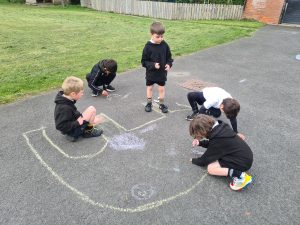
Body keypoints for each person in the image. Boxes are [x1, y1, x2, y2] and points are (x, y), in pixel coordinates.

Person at [189, 115, 253, 191]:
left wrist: (194, 160)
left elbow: (205, 159)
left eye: (197, 135)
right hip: (245, 156)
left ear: (201, 131)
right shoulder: (220, 128)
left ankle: (241, 176)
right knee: (217, 158)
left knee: (211, 168)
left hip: (242, 162)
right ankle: (237, 172)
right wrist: (200, 143)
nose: (197, 137)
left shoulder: (218, 139)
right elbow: (213, 144)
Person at [54, 76, 104, 142]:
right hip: (72, 131)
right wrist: (77, 122)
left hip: (74, 123)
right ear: (73, 94)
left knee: (95, 119)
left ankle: (87, 127)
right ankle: (87, 132)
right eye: (81, 92)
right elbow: (60, 126)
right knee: (92, 109)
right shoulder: (64, 108)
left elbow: (71, 114)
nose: (82, 94)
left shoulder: (66, 98)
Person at [141, 21, 173, 113]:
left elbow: (169, 58)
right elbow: (143, 62)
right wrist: (153, 65)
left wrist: (169, 64)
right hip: (151, 73)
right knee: (150, 87)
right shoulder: (147, 47)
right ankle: (149, 103)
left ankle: (161, 104)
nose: (160, 39)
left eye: (162, 36)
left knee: (161, 88)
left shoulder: (164, 45)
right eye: (157, 37)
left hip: (162, 73)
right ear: (151, 34)